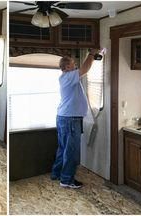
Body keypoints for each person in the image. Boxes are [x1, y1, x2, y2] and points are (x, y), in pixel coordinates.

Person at [50, 49, 99, 189]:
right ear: (66, 67)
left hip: (65, 118)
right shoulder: (68, 76)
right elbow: (85, 69)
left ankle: (57, 173)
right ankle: (66, 180)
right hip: (70, 120)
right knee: (70, 150)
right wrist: (91, 54)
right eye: (72, 63)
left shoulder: (67, 78)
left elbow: (82, 70)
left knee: (63, 148)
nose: (75, 65)